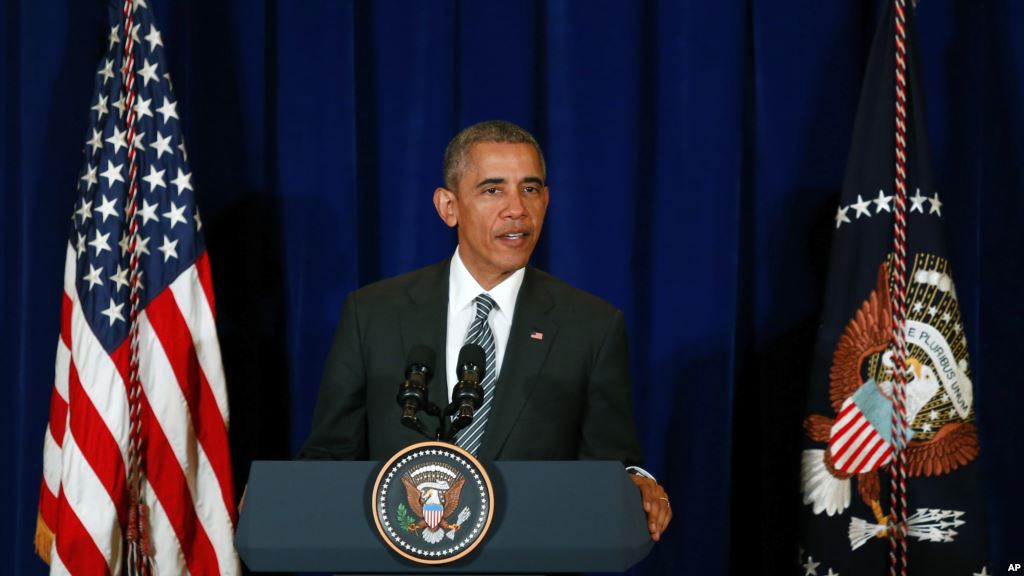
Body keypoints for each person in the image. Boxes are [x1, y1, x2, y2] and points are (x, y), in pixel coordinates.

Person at [298, 120, 672, 541]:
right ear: (448, 207)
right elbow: (330, 457)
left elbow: (611, 463)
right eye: (493, 190)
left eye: (530, 189)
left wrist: (635, 481)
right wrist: (285, 497)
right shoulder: (372, 314)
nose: (517, 208)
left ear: (546, 201)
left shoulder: (591, 326)